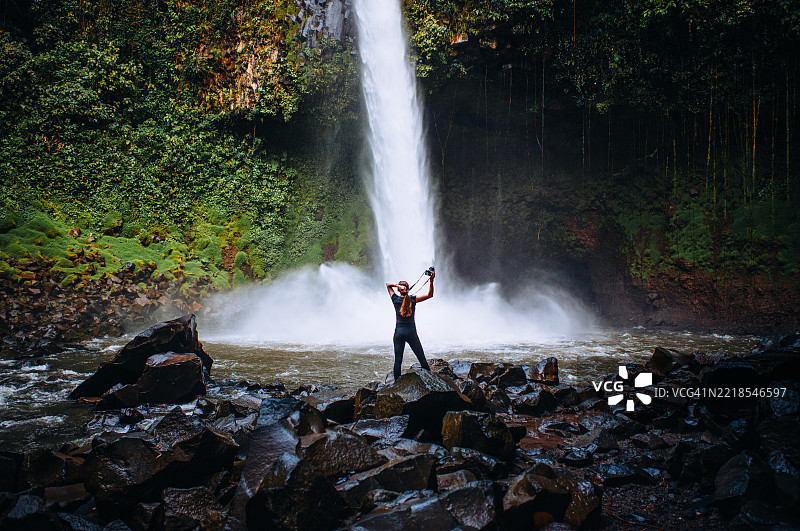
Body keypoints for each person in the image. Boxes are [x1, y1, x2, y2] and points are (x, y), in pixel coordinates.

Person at [385, 269, 435, 381]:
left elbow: (388, 285)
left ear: (399, 289)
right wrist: (431, 280)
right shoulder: (413, 299)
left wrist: (397, 286)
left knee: (398, 361)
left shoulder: (395, 299)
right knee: (422, 359)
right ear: (407, 289)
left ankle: (396, 384)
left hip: (398, 333)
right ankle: (431, 383)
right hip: (411, 333)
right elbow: (430, 295)